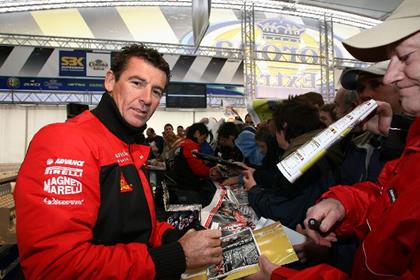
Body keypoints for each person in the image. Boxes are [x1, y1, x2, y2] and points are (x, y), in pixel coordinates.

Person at [14, 44, 222, 279]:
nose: (146, 99)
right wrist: (178, 255)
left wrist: (178, 237)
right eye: (137, 83)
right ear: (110, 81)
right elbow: (55, 266)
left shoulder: (128, 145)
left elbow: (139, 228)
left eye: (156, 91)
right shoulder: (65, 141)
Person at [249, 0, 420, 278]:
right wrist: (341, 205)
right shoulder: (399, 140)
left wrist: (279, 276)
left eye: (405, 57)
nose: (391, 76)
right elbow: (386, 200)